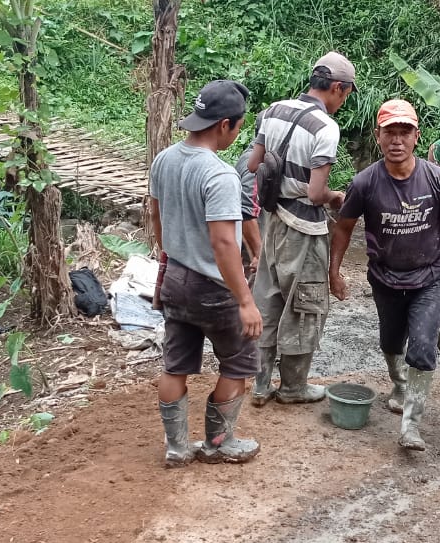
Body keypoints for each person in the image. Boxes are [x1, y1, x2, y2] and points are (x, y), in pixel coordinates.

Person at [329, 99, 440, 451]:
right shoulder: (365, 182)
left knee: (422, 347)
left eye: (404, 132)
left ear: (416, 137)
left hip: (431, 278)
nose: (397, 140)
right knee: (391, 342)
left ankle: (410, 425)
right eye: (390, 131)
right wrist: (335, 271)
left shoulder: (437, 180)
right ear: (378, 136)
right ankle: (399, 383)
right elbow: (344, 228)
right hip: (385, 278)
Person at [149, 79, 262, 466]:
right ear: (225, 125)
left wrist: (171, 254)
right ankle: (218, 443)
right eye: (239, 126)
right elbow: (224, 243)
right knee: (239, 361)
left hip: (175, 278)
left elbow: (155, 216)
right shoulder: (220, 175)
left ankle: (177, 448)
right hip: (213, 286)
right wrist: (245, 300)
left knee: (175, 364)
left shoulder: (164, 159)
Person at [247, 52, 355, 406]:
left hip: (271, 219)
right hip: (304, 229)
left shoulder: (273, 109)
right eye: (346, 94)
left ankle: (261, 385)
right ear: (337, 88)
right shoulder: (326, 128)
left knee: (268, 298)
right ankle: (293, 387)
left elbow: (252, 164)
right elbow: (315, 193)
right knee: (306, 305)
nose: (343, 101)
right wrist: (336, 196)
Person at [233, 145, 262, 282]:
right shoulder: (256, 163)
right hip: (250, 244)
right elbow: (246, 211)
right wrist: (259, 253)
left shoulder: (249, 155)